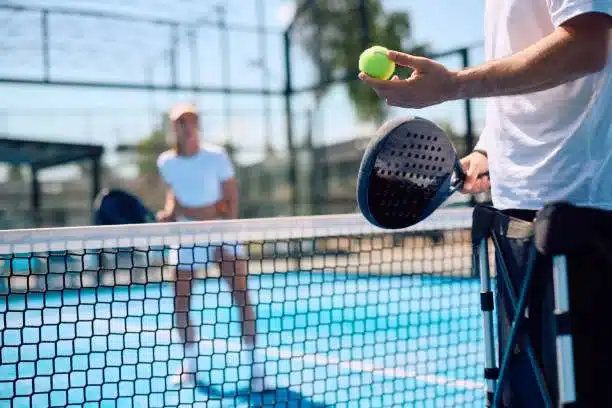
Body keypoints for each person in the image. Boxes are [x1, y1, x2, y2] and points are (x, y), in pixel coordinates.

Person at [359, 1, 611, 406]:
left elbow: (589, 45)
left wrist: (454, 84)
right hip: (516, 216)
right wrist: (488, 150)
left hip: (579, 216)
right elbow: (525, 74)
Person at [156, 103, 268, 391]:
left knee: (242, 298)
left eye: (191, 120)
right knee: (180, 302)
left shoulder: (216, 156)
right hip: (185, 237)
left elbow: (229, 201)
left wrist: (222, 232)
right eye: (181, 121)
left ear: (198, 124)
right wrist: (170, 211)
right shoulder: (166, 162)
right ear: (173, 127)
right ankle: (190, 366)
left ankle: (257, 370)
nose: (187, 126)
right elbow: (173, 193)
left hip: (221, 233)